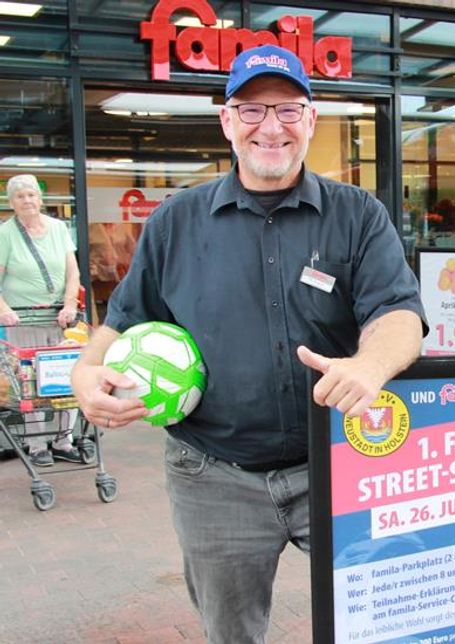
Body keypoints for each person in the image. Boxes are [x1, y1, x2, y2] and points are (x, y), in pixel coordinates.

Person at [70, 45, 426, 644]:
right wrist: (85, 371)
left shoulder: (358, 214)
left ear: (311, 120)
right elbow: (122, 321)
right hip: (214, 476)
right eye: (252, 109)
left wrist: (369, 365)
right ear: (228, 121)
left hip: (339, 462)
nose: (271, 127)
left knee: (385, 620)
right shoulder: (175, 222)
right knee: (231, 635)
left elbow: (400, 315)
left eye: (288, 110)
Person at [0, 174, 83, 467]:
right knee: (30, 384)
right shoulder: (6, 233)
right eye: (20, 197)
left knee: (67, 379)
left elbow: (72, 272)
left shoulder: (59, 229)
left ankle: (64, 440)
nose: (27, 201)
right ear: (12, 203)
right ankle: (37, 445)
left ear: (40, 198)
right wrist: (4, 309)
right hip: (23, 321)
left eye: (31, 195)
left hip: (59, 318)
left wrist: (70, 303)